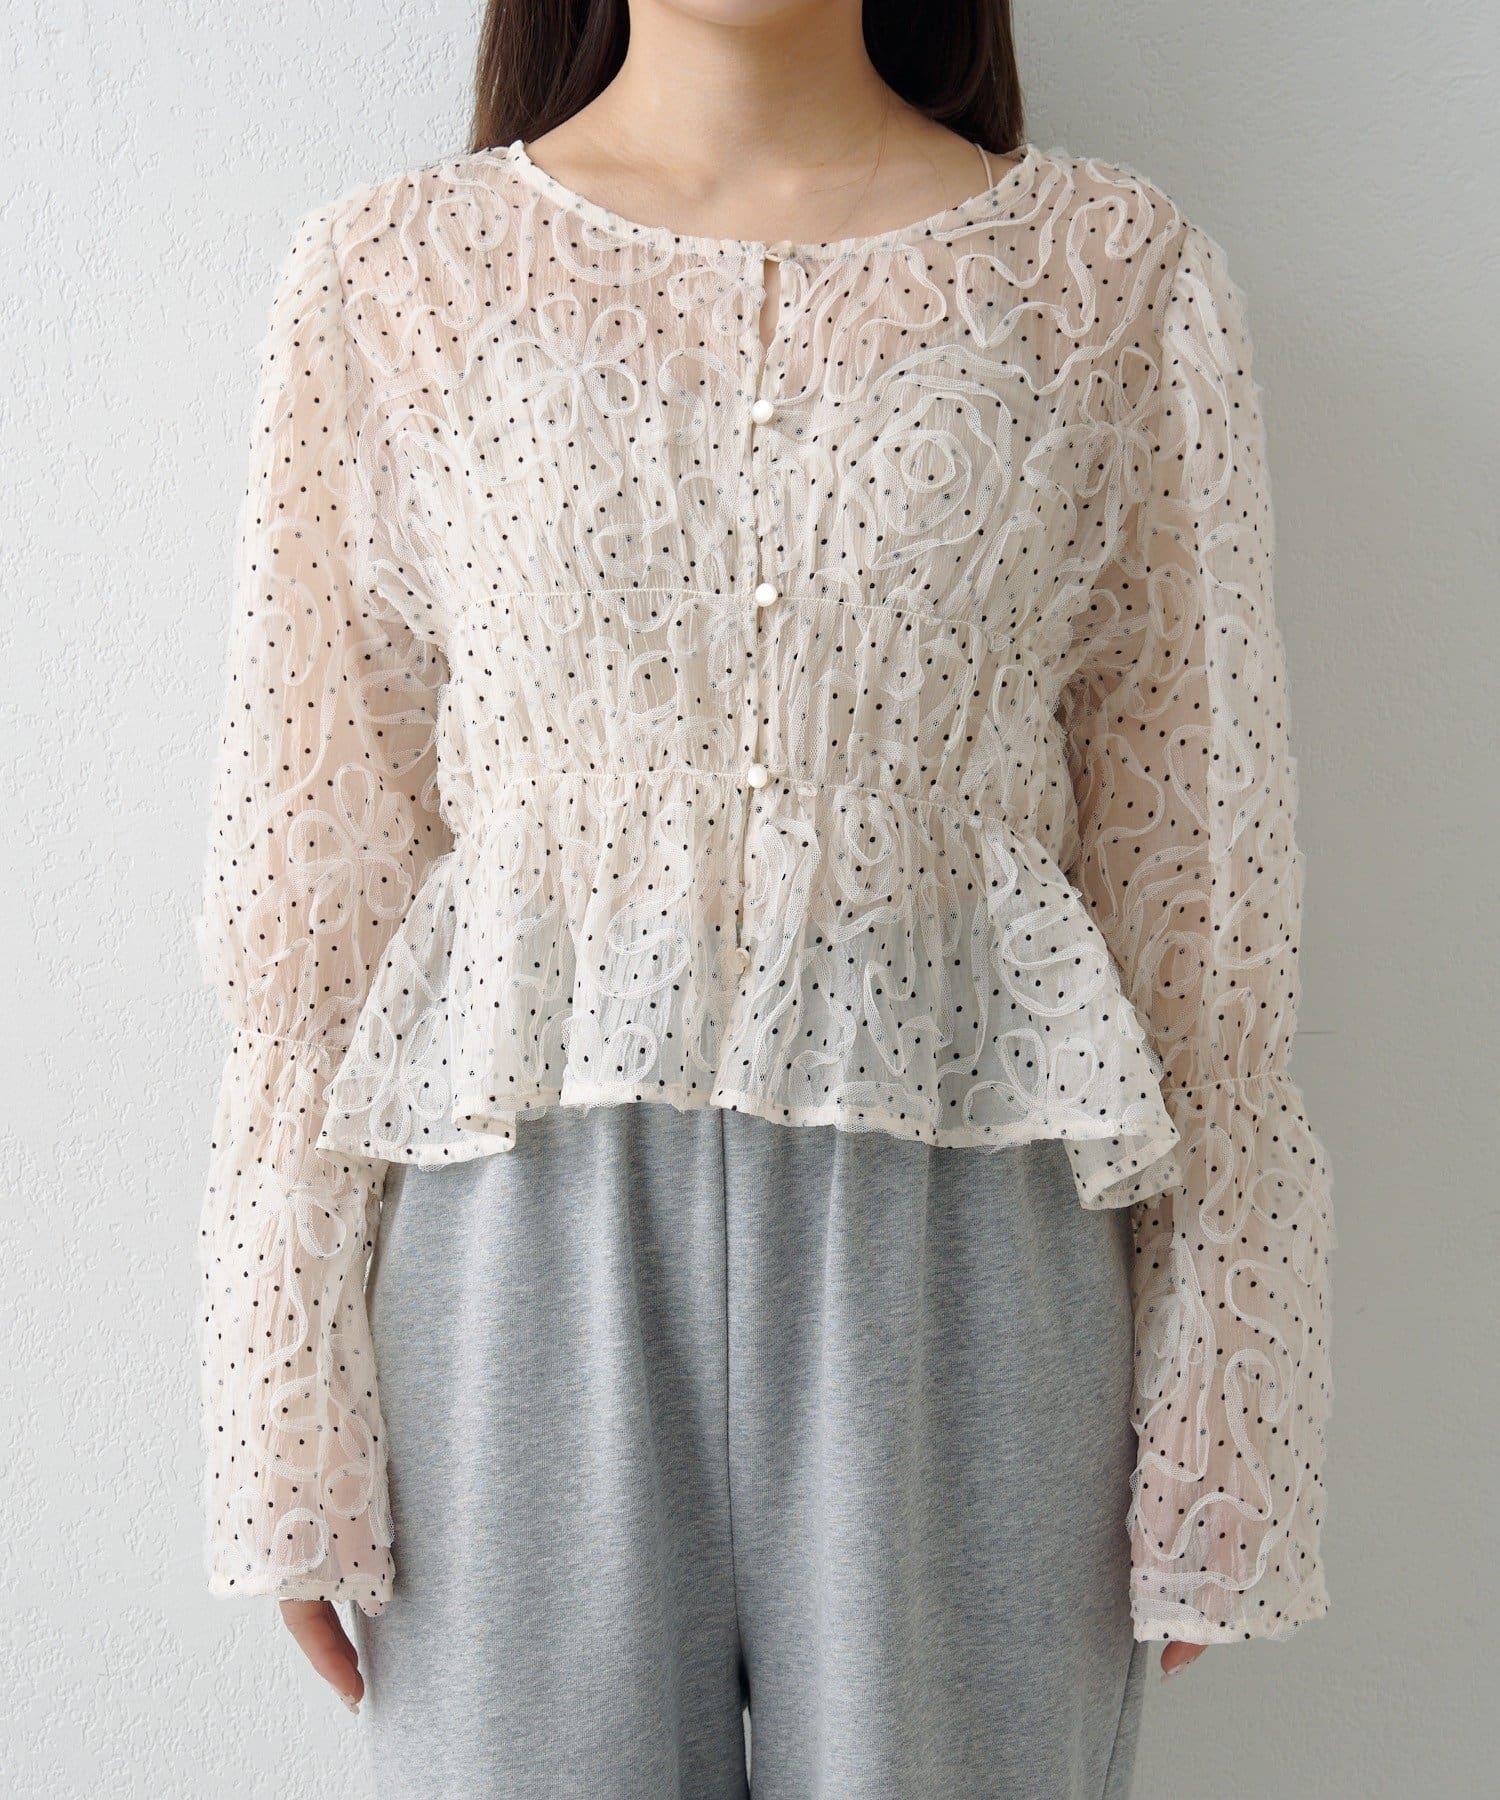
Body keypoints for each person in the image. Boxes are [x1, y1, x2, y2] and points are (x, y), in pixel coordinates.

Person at [195, 1, 1333, 1792]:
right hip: (517, 1237)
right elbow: (310, 879)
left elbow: (1201, 890)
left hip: (963, 1236)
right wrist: (283, 1399)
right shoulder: (394, 280)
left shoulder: (1112, 279)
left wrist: (1228, 1396)